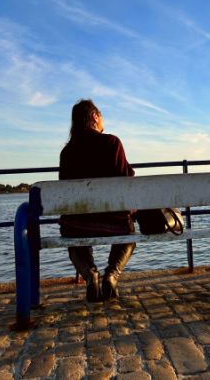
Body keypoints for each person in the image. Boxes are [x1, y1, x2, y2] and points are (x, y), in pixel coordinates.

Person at [59, 99, 136, 302]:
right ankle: (111, 275)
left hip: (76, 226)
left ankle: (90, 274)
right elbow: (127, 182)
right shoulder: (112, 143)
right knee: (129, 231)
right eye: (101, 116)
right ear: (94, 117)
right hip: (115, 223)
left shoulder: (67, 152)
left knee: (72, 234)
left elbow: (65, 193)